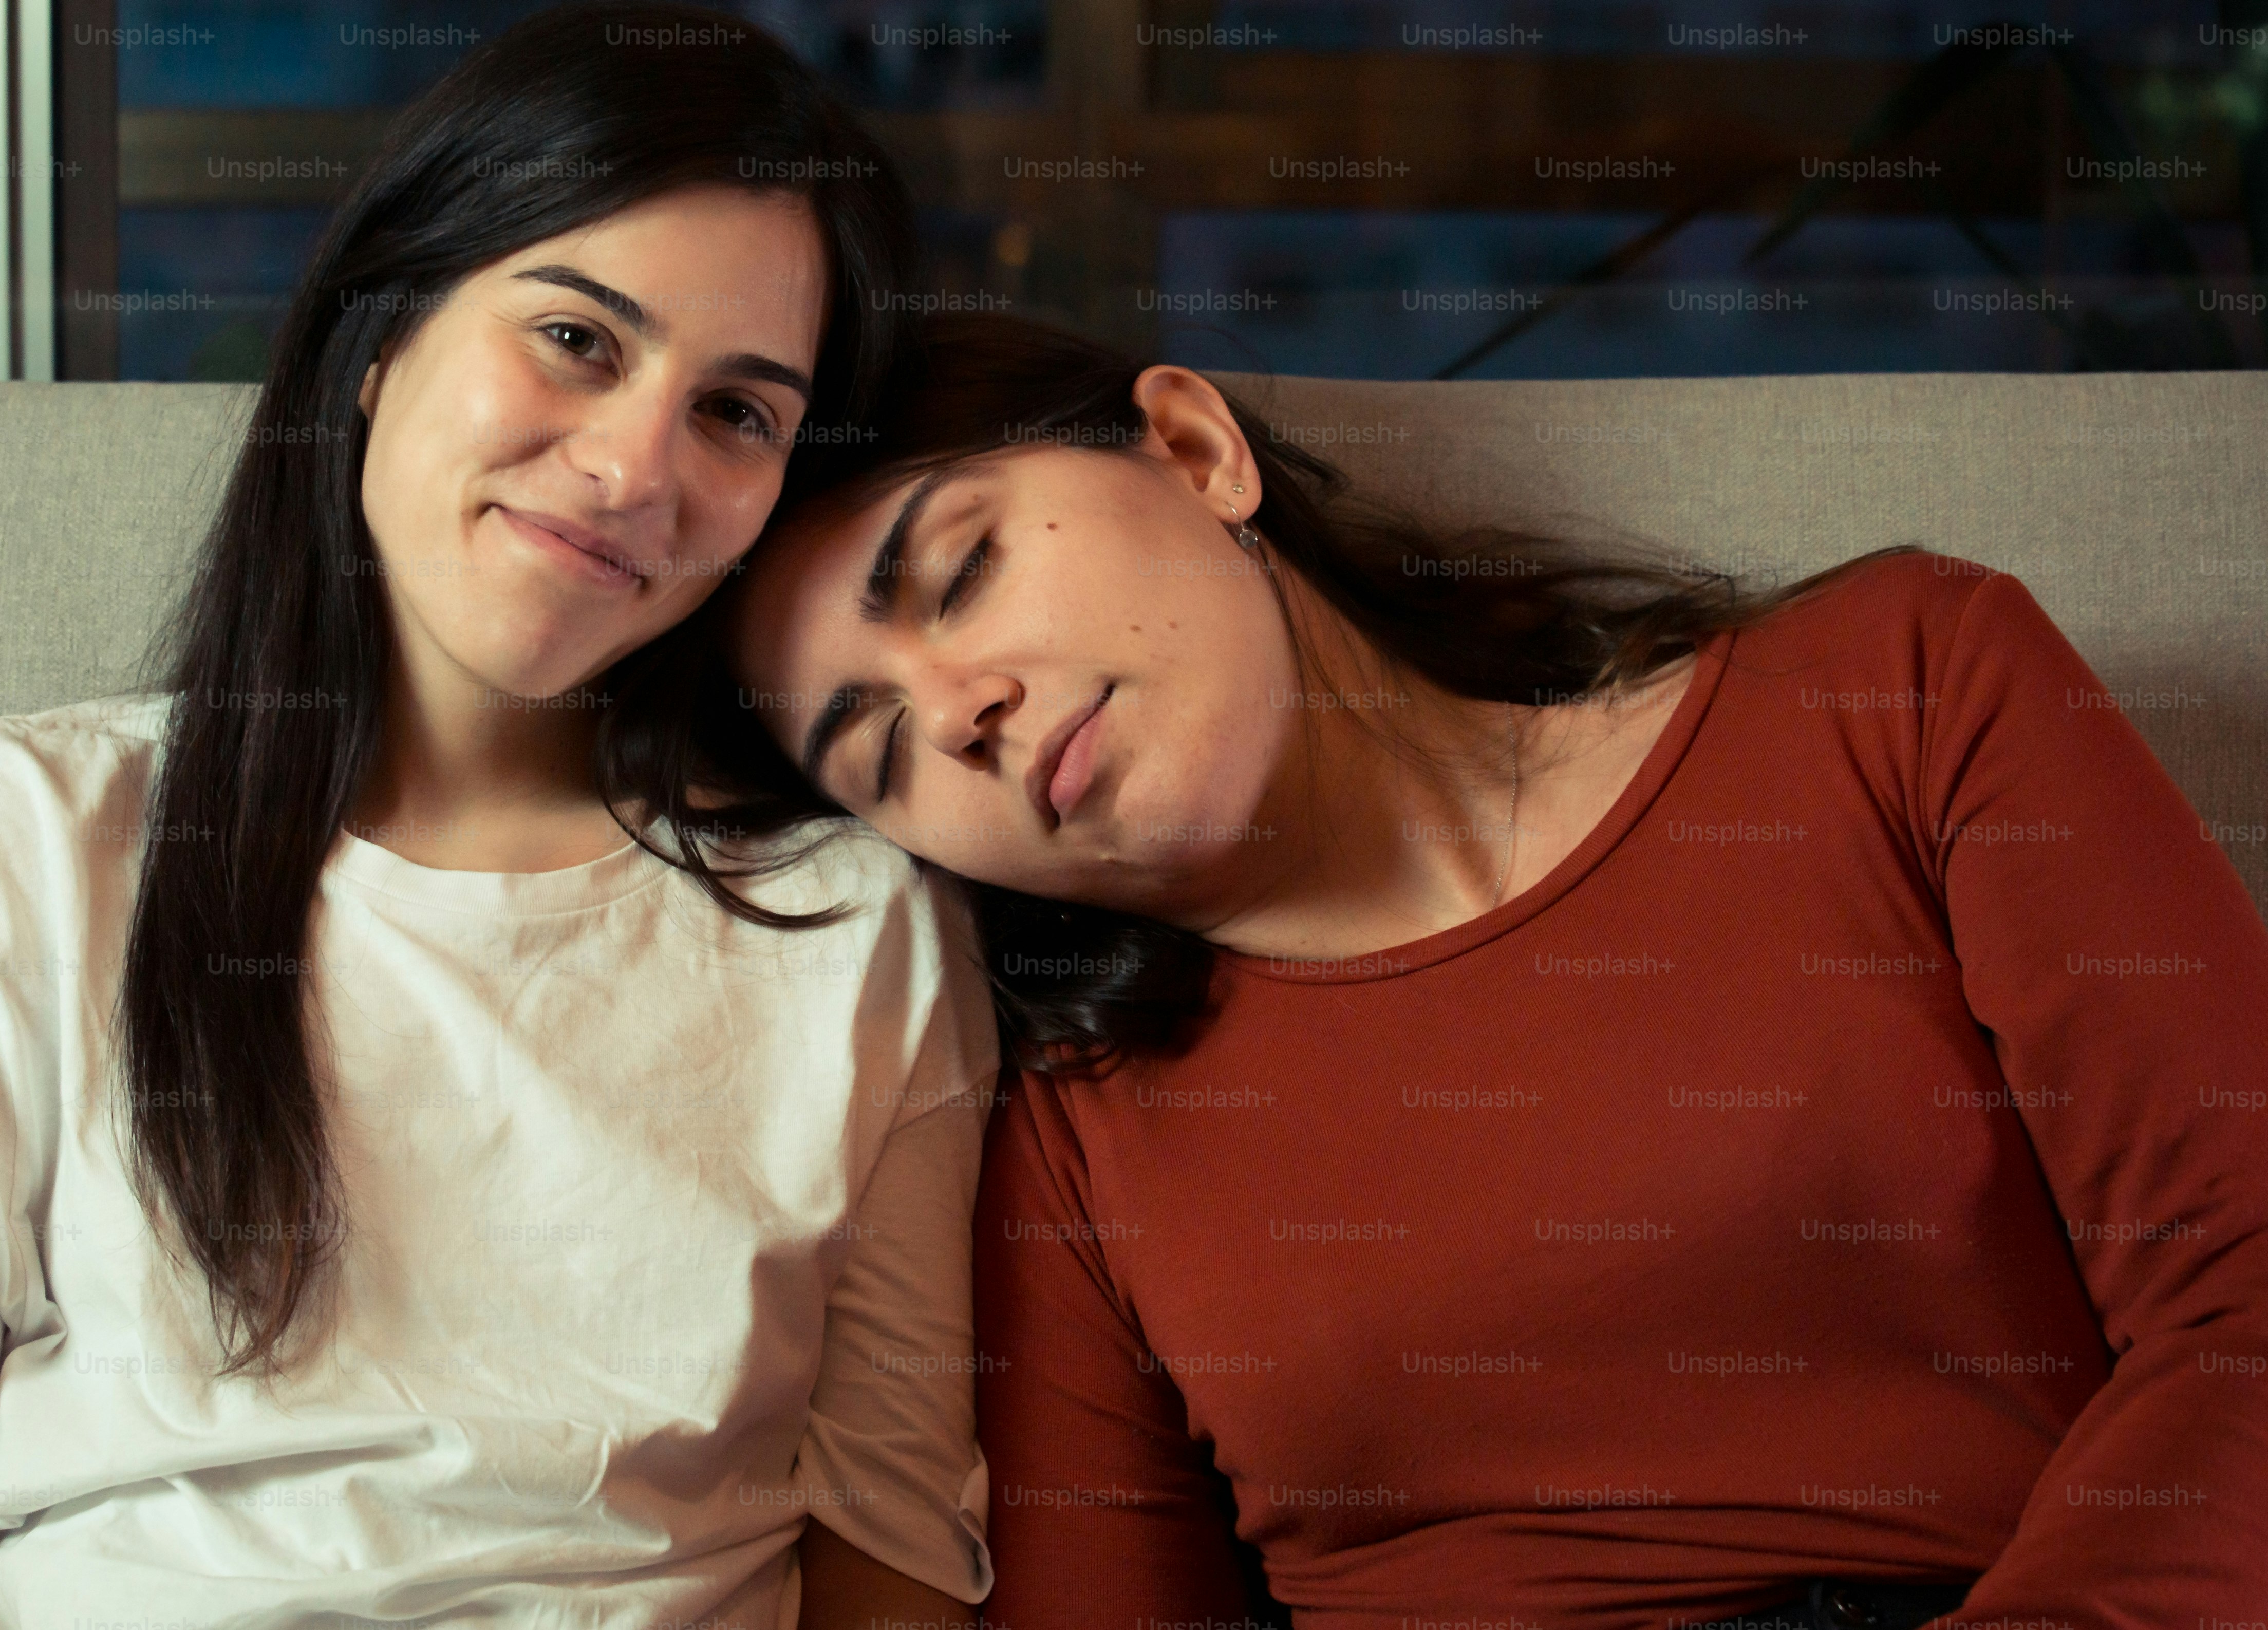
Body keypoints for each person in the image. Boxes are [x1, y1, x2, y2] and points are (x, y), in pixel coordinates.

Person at [0, 4, 997, 1630]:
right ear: (379, 334)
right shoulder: (22, 838)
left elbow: (892, 1564)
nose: (637, 467)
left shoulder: (858, 929)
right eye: (576, 338)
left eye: (738, 413)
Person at [646, 311, 2268, 1629]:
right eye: (874, 754)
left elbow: (2244, 1300)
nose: (956, 713)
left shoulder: (1899, 694)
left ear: (1196, 450)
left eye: (961, 571)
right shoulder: (1070, 1139)